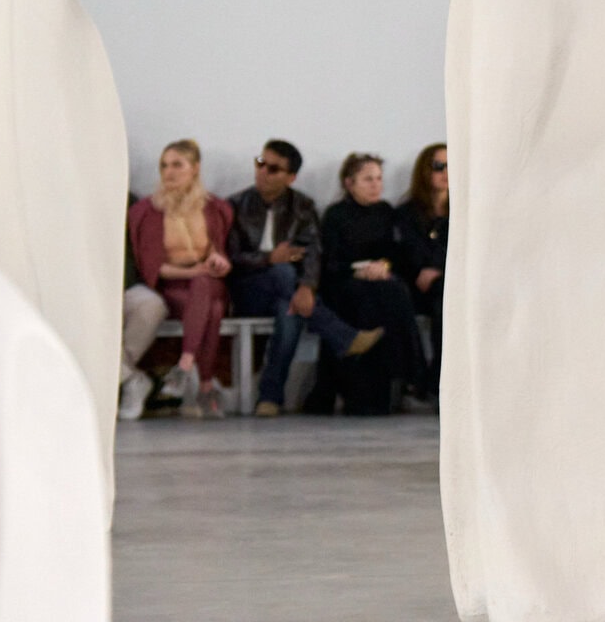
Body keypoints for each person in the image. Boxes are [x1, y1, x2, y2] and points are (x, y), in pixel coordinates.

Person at [225, 139, 375, 416]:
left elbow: (313, 253)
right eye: (261, 163)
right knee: (281, 271)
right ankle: (342, 335)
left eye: (273, 169)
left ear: (291, 177)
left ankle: (269, 399)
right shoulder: (235, 205)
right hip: (247, 290)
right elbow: (230, 259)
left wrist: (306, 288)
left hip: (287, 293)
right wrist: (269, 258)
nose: (263, 172)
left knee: (289, 311)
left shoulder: (302, 206)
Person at [126, 140, 234, 417]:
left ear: (195, 168)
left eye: (177, 165)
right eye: (164, 166)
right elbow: (153, 267)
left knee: (205, 286)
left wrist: (217, 260)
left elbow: (219, 251)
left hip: (209, 282)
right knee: (213, 309)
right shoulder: (148, 210)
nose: (169, 172)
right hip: (173, 285)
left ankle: (184, 365)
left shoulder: (214, 208)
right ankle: (205, 385)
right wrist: (193, 272)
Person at [317, 153, 427, 414]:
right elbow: (331, 260)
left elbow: (396, 253)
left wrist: (383, 265)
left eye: (379, 178)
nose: (376, 185)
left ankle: (401, 377)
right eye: (368, 179)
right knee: (374, 298)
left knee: (393, 291)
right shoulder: (336, 215)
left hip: (380, 278)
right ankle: (402, 378)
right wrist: (359, 271)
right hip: (345, 281)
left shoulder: (385, 212)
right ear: (349, 183)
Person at [397, 142, 450, 401]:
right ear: (425, 171)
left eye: (451, 165)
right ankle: (426, 378)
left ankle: (438, 379)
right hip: (414, 285)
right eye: (439, 166)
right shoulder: (407, 213)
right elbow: (409, 252)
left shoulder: (465, 210)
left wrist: (438, 269)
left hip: (446, 284)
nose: (446, 172)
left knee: (445, 299)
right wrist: (428, 268)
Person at [118, 197, 167, 419]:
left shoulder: (131, 202)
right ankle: (130, 379)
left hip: (125, 285)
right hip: (79, 293)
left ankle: (121, 375)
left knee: (151, 305)